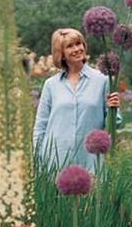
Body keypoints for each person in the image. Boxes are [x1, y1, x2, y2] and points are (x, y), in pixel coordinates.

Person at [33, 27, 120, 173]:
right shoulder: (51, 85)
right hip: (55, 162)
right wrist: (37, 159)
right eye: (70, 46)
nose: (77, 49)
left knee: (90, 195)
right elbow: (41, 126)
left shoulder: (103, 81)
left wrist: (114, 109)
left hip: (90, 160)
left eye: (79, 43)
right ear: (61, 54)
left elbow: (114, 123)